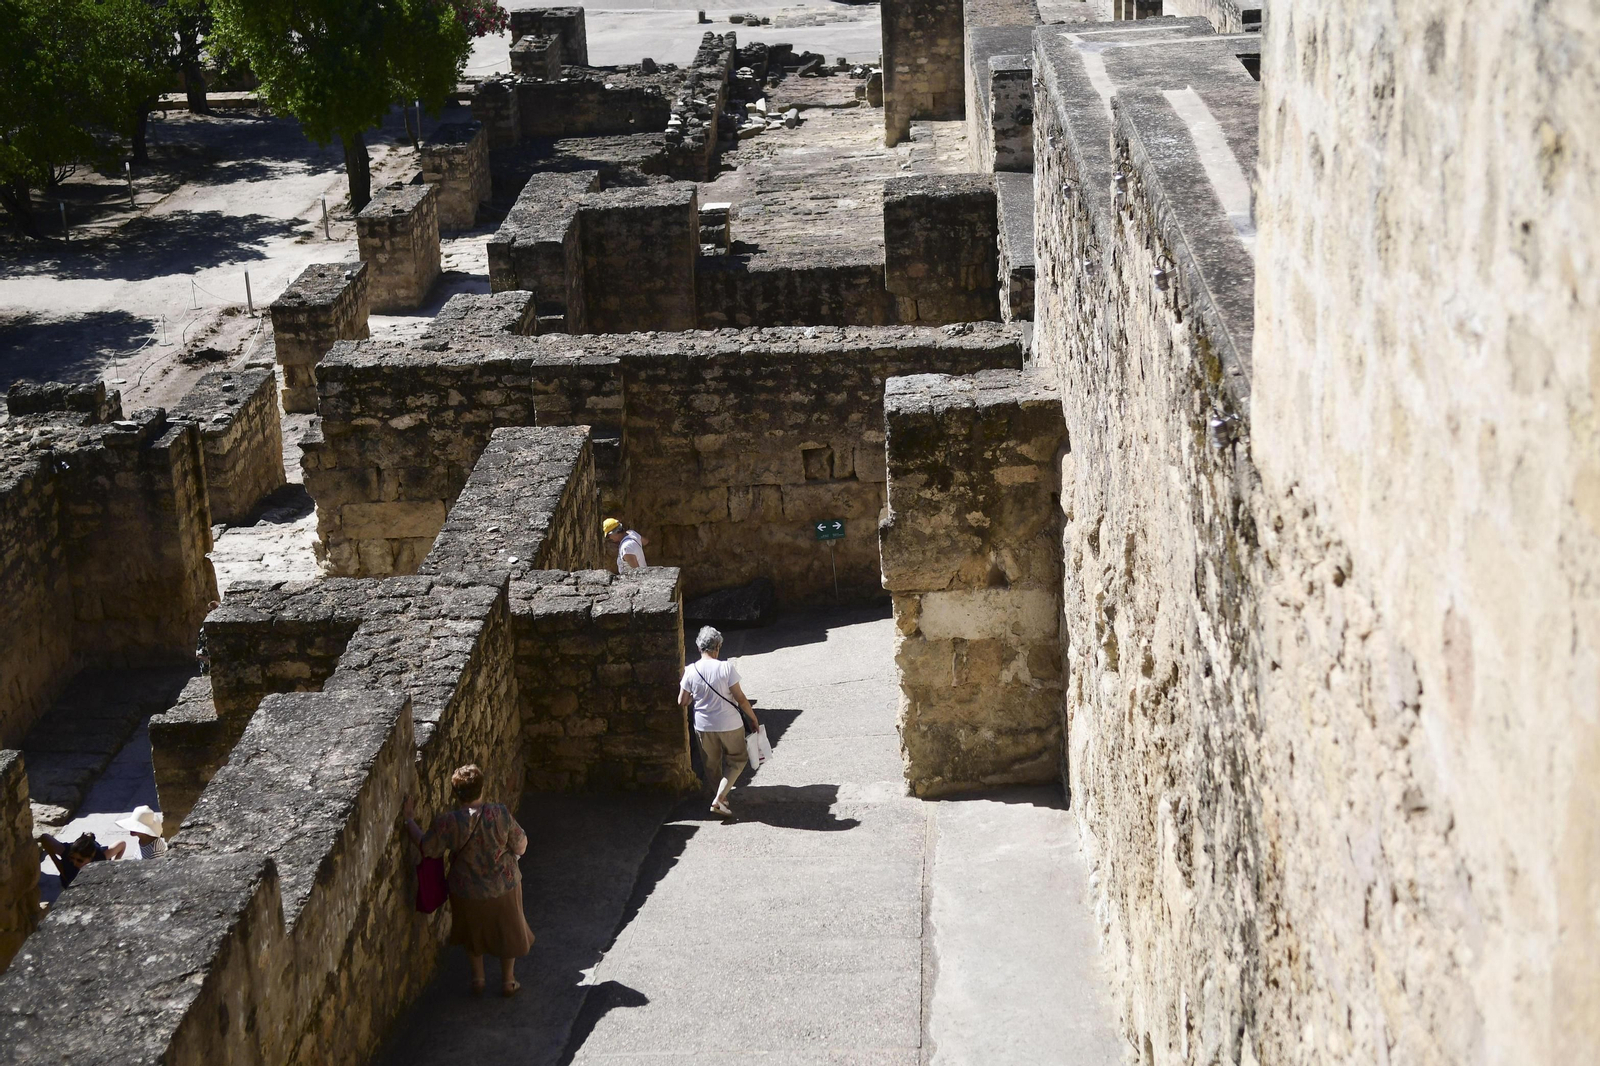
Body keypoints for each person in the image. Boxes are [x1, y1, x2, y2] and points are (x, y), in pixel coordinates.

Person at [403, 764, 534, 997]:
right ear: (481, 788)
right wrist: (513, 855)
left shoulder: (448, 822)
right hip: (504, 885)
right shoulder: (499, 813)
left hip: (466, 889)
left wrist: (409, 821)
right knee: (508, 929)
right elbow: (521, 844)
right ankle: (508, 981)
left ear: (456, 792)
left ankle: (478, 979)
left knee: (473, 931)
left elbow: (426, 846)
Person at [678, 626, 760, 817]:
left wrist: (695, 697)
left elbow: (682, 701)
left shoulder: (690, 671)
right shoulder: (725, 668)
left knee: (711, 765)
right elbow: (740, 698)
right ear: (718, 647)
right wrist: (753, 718)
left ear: (699, 647)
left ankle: (720, 798)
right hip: (730, 724)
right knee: (738, 759)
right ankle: (719, 798)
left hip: (704, 726)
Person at [38, 831, 124, 888]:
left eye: (80, 860)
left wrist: (114, 867)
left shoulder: (101, 856)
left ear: (90, 858)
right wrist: (53, 857)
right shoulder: (66, 851)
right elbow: (45, 837)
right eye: (72, 858)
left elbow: (122, 844)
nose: (74, 862)